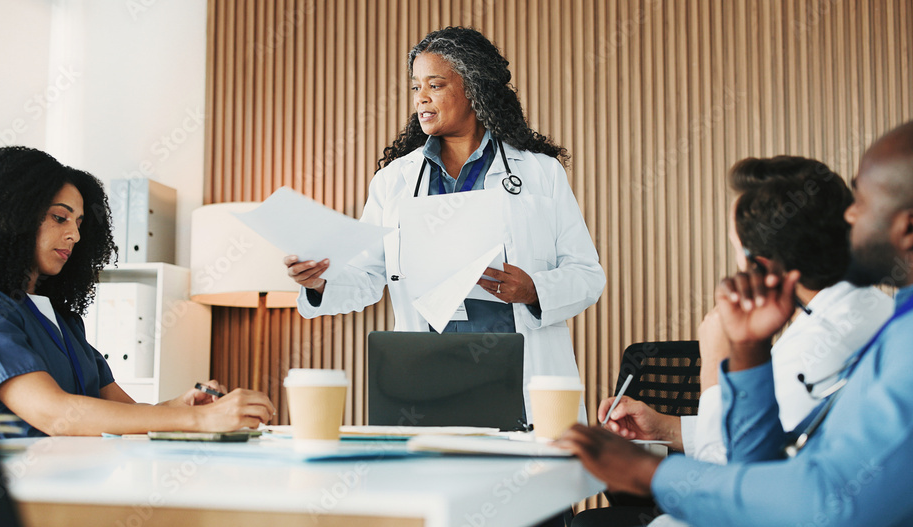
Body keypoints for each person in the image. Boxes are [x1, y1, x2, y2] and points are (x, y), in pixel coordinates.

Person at [557, 120, 913, 526]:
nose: (850, 217)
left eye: (862, 201)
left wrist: (648, 471)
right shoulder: (893, 325)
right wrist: (748, 352)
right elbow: (763, 467)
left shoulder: (885, 340)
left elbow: (822, 502)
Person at [284, 27, 605, 419]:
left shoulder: (540, 173)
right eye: (416, 86)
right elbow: (367, 275)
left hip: (519, 368)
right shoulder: (395, 181)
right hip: (429, 369)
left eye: (435, 85)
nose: (420, 97)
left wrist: (534, 290)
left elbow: (587, 274)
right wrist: (319, 282)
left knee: (525, 455)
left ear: (474, 89)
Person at [0, 146, 275, 438]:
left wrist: (180, 408)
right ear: (11, 217)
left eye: (79, 223)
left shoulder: (63, 320)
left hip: (78, 478)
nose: (74, 235)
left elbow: (122, 413)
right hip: (21, 489)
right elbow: (54, 413)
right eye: (60, 217)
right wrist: (199, 421)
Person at [598, 157, 892, 465]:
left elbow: (730, 464)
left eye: (737, 249)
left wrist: (716, 359)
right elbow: (766, 430)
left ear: (761, 266)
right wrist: (665, 428)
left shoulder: (816, 348)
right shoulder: (867, 308)